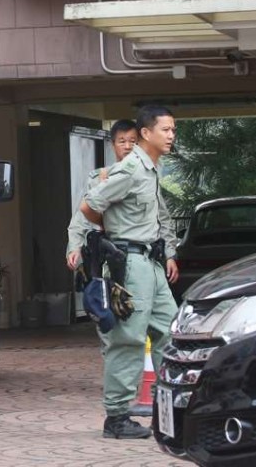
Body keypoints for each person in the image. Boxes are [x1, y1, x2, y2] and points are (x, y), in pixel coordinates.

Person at [78, 106, 180, 440]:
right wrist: (113, 232)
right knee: (129, 339)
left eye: (173, 130)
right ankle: (117, 417)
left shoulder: (151, 169)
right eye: (165, 130)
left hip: (151, 261)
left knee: (171, 330)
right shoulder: (132, 169)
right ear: (146, 133)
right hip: (131, 261)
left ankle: (173, 407)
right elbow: (89, 205)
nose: (171, 135)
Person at [65, 119, 138, 271]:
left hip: (140, 254)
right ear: (113, 145)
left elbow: (160, 218)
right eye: (122, 141)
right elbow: (81, 217)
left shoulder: (146, 177)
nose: (127, 146)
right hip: (111, 255)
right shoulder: (99, 178)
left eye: (133, 141)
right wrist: (74, 248)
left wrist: (169, 254)